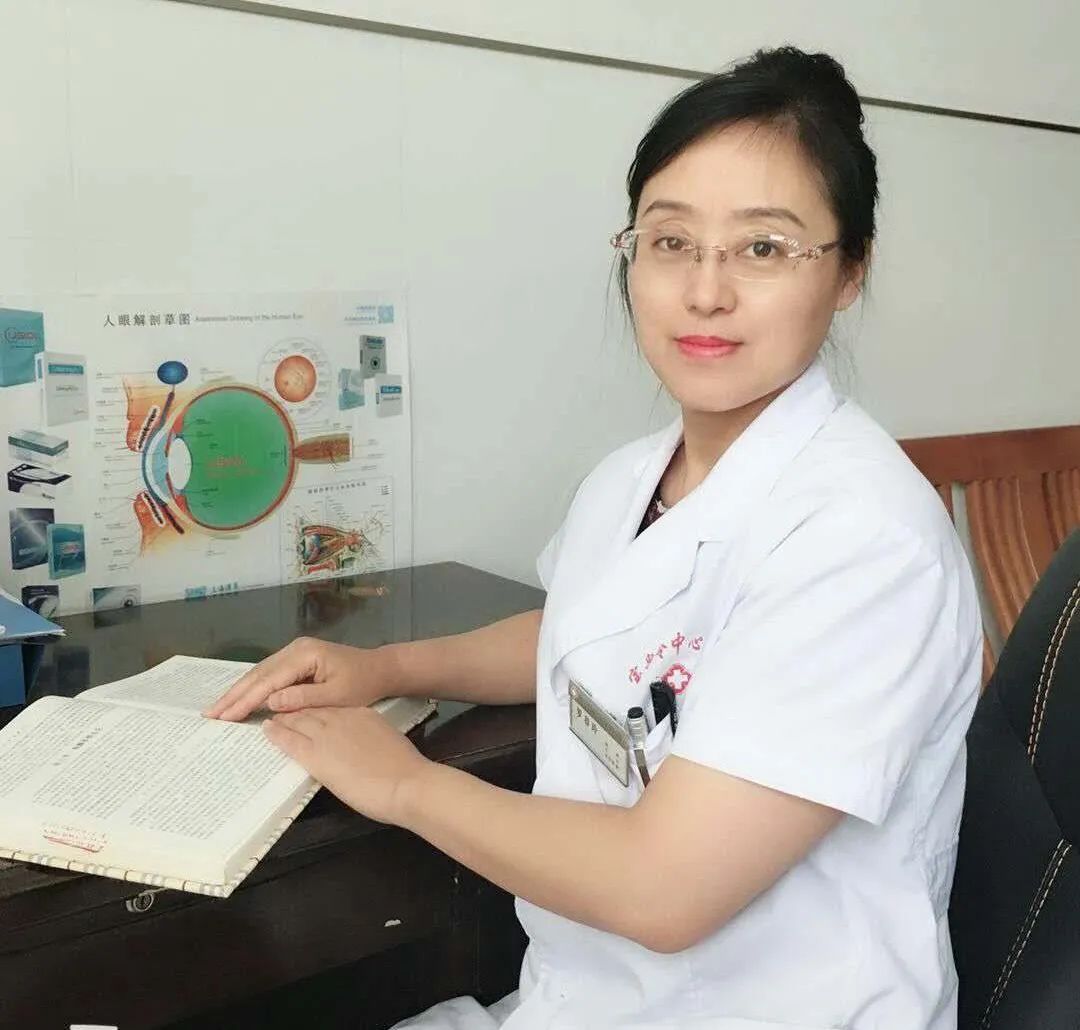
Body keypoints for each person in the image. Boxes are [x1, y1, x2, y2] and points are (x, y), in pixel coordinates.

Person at [205, 45, 983, 1029]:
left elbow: (665, 889)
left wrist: (402, 782)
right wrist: (389, 667)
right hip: (587, 995)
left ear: (849, 271)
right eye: (671, 241)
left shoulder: (864, 539)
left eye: (763, 248)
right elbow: (584, 629)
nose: (705, 291)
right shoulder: (633, 476)